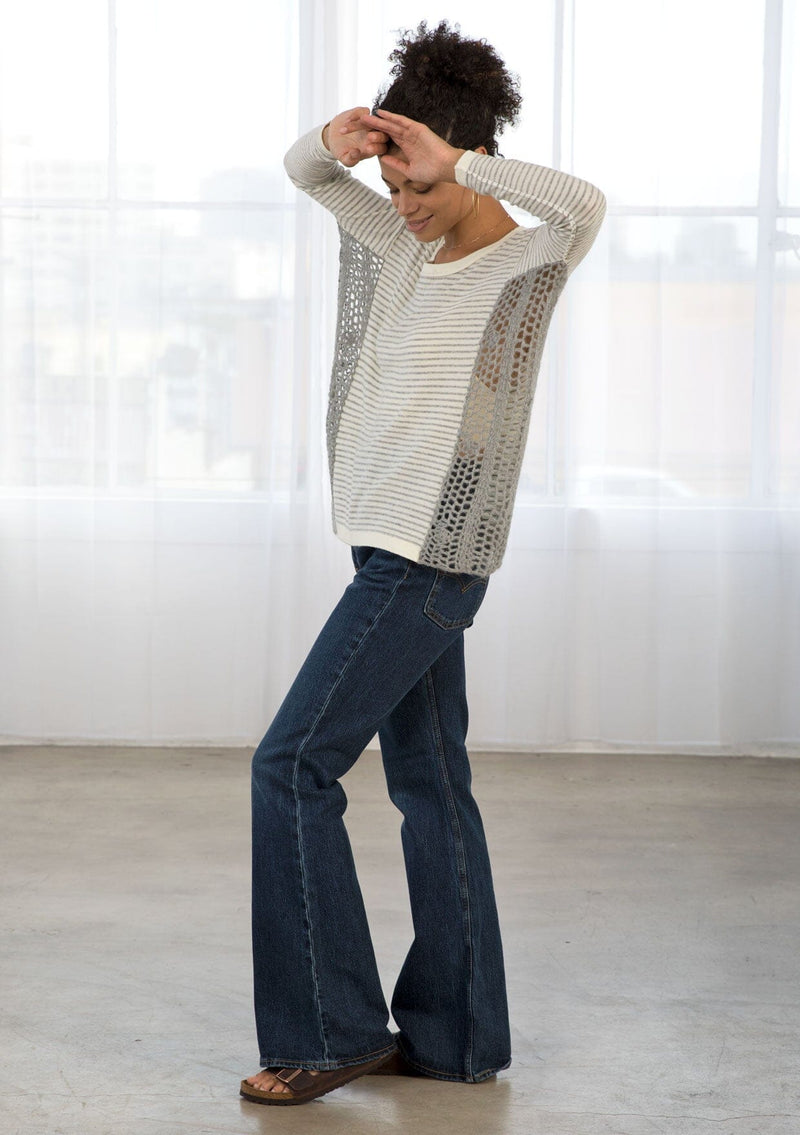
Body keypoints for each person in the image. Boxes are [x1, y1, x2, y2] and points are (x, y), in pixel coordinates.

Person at [240, 20, 606, 1106]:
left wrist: (463, 164)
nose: (402, 204)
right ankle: (455, 1037)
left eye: (422, 185)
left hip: (428, 562)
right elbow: (307, 172)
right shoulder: (397, 242)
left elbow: (583, 203)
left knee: (289, 765)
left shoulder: (527, 260)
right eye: (393, 186)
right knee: (431, 783)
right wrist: (345, 142)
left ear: (467, 159)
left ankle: (329, 1030)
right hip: (379, 543)